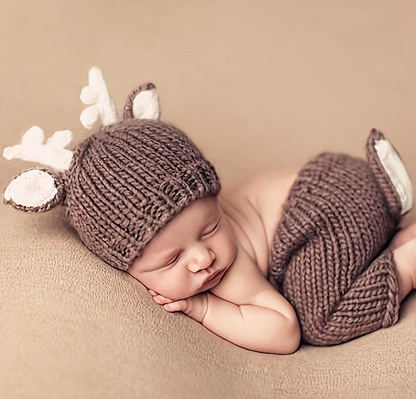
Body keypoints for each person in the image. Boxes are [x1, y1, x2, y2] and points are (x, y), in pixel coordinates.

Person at [4, 71, 416, 355]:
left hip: (326, 205)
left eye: (210, 227)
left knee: (319, 318)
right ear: (123, 263)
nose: (203, 258)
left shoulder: (229, 270)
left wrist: (205, 309)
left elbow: (284, 330)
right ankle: (390, 223)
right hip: (337, 185)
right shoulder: (195, 250)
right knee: (318, 274)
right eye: (172, 258)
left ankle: (406, 262)